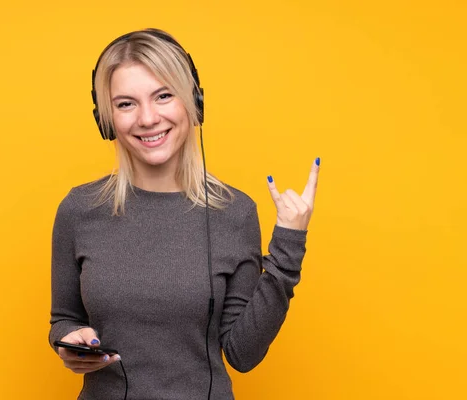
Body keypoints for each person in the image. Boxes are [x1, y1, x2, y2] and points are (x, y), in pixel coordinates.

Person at [48, 28, 320, 400]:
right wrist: (68, 342)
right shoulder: (79, 210)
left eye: (163, 96)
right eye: (126, 104)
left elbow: (243, 354)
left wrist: (289, 247)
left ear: (193, 102)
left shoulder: (235, 213)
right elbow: (64, 319)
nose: (147, 118)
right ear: (106, 119)